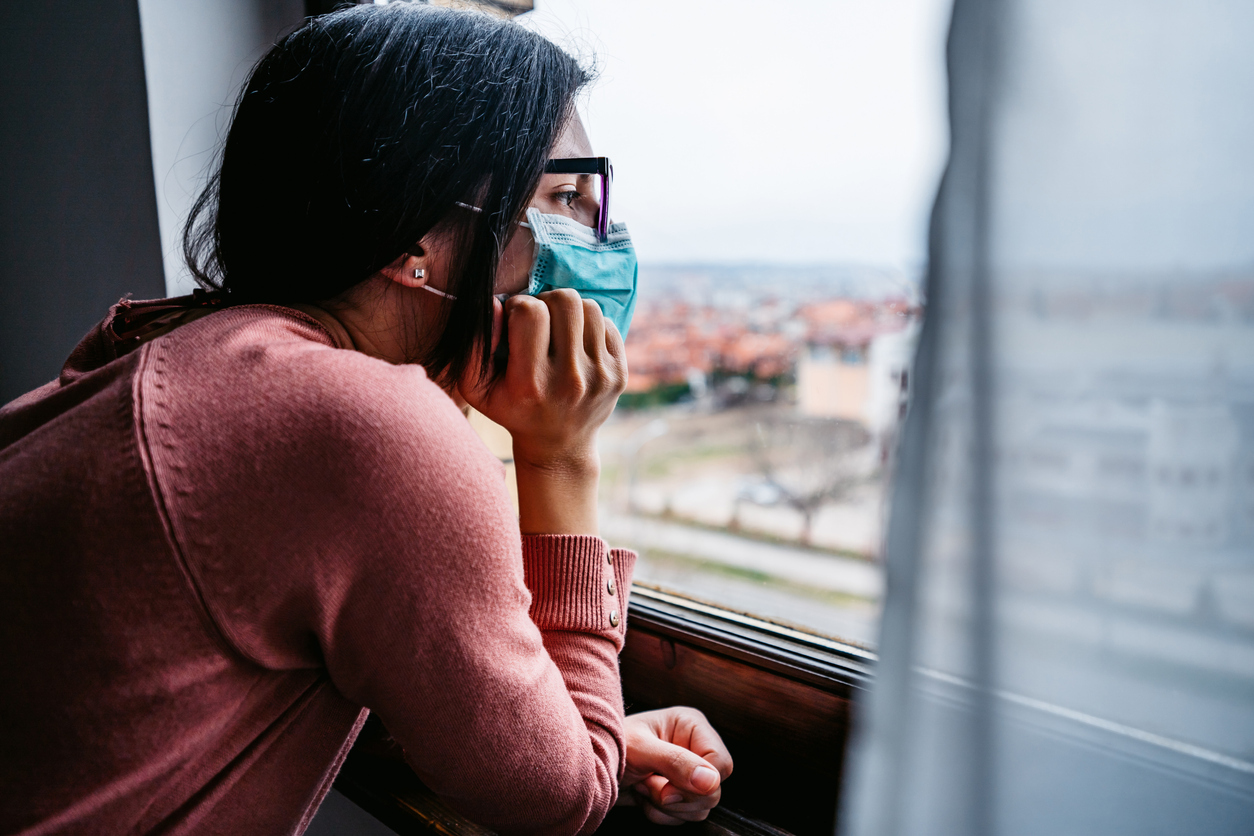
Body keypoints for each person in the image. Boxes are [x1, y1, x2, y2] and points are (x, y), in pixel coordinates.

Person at [0, 5, 731, 835]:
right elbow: (559, 800)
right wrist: (560, 458)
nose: (596, 240)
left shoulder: (184, 346)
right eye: (563, 196)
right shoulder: (370, 425)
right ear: (415, 232)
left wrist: (563, 723)